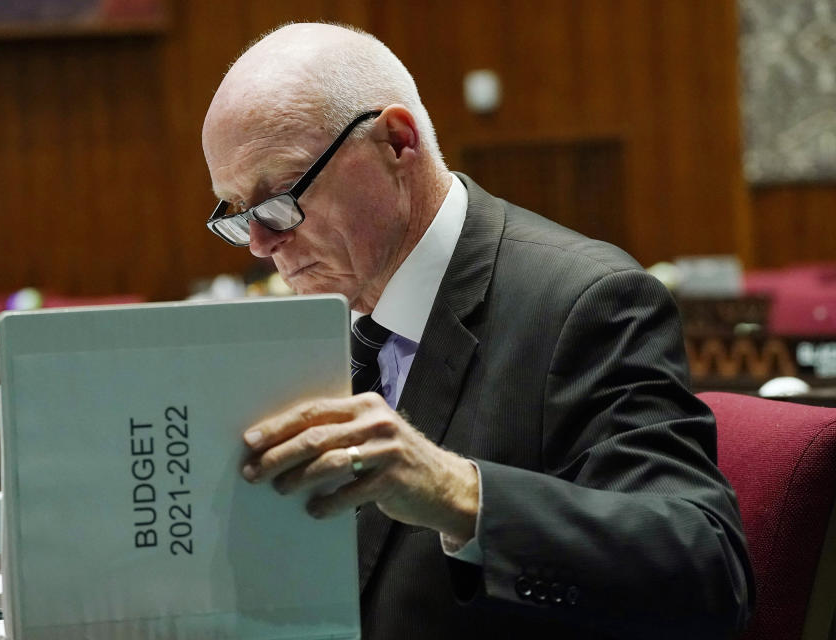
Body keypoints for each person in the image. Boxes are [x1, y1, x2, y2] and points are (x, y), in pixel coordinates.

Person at [201, 22, 753, 639]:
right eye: (237, 212)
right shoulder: (307, 326)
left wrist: (457, 492)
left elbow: (706, 569)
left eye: (279, 195)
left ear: (397, 142)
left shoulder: (586, 303)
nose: (259, 243)